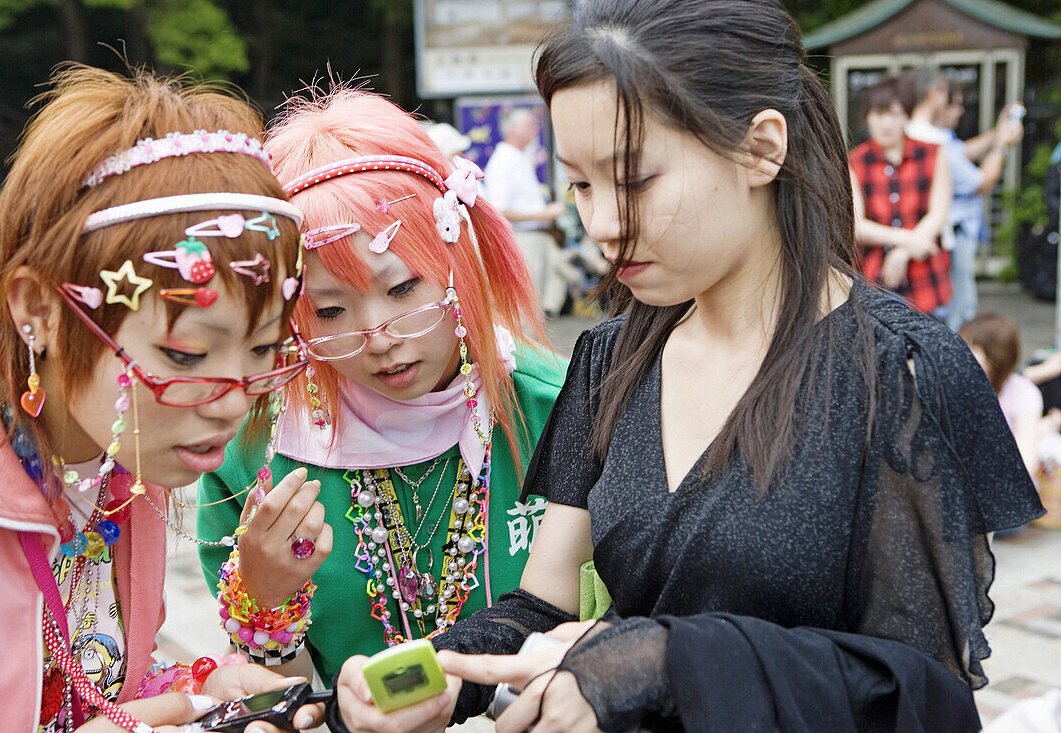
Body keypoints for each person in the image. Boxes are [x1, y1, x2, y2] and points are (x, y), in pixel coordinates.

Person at [314, 1, 1041, 731]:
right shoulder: (609, 361)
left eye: (632, 181)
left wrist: (667, 661)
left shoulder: (897, 372)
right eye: (580, 185)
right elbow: (541, 607)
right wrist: (434, 674)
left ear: (761, 148)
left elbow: (922, 693)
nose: (601, 224)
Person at [0, 65, 318, 732]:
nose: (233, 404)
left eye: (265, 351)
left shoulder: (119, 454)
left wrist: (206, 687)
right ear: (38, 307)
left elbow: (91, 685)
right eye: (186, 355)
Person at [195, 88, 566, 693]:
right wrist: (264, 600)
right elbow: (280, 706)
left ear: (460, 258)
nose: (378, 340)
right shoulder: (252, 453)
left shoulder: (555, 407)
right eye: (329, 309)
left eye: (402, 291)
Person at [904, 68, 1024, 330]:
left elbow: (961, 152)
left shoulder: (919, 134)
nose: (954, 107)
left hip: (928, 234)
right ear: (935, 95)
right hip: (946, 233)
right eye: (949, 98)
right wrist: (1001, 145)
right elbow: (979, 182)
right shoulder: (933, 141)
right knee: (956, 314)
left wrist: (997, 132)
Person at [849, 74, 953, 318]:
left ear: (907, 114)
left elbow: (938, 214)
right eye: (878, 114)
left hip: (925, 274)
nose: (886, 123)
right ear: (867, 117)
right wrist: (907, 239)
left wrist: (902, 252)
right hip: (873, 277)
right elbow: (856, 225)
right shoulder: (854, 161)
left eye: (895, 114)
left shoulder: (933, 154)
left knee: (930, 349)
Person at [484, 107, 578, 315]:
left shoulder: (517, 157)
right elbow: (499, 209)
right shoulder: (504, 160)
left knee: (536, 305)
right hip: (522, 238)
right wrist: (543, 215)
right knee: (527, 309)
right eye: (530, 125)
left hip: (535, 236)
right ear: (514, 130)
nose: (536, 130)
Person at [960, 312, 1045, 478]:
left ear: (996, 355)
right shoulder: (955, 387)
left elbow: (1026, 463)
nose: (961, 354)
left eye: (973, 349)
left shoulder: (1023, 393)